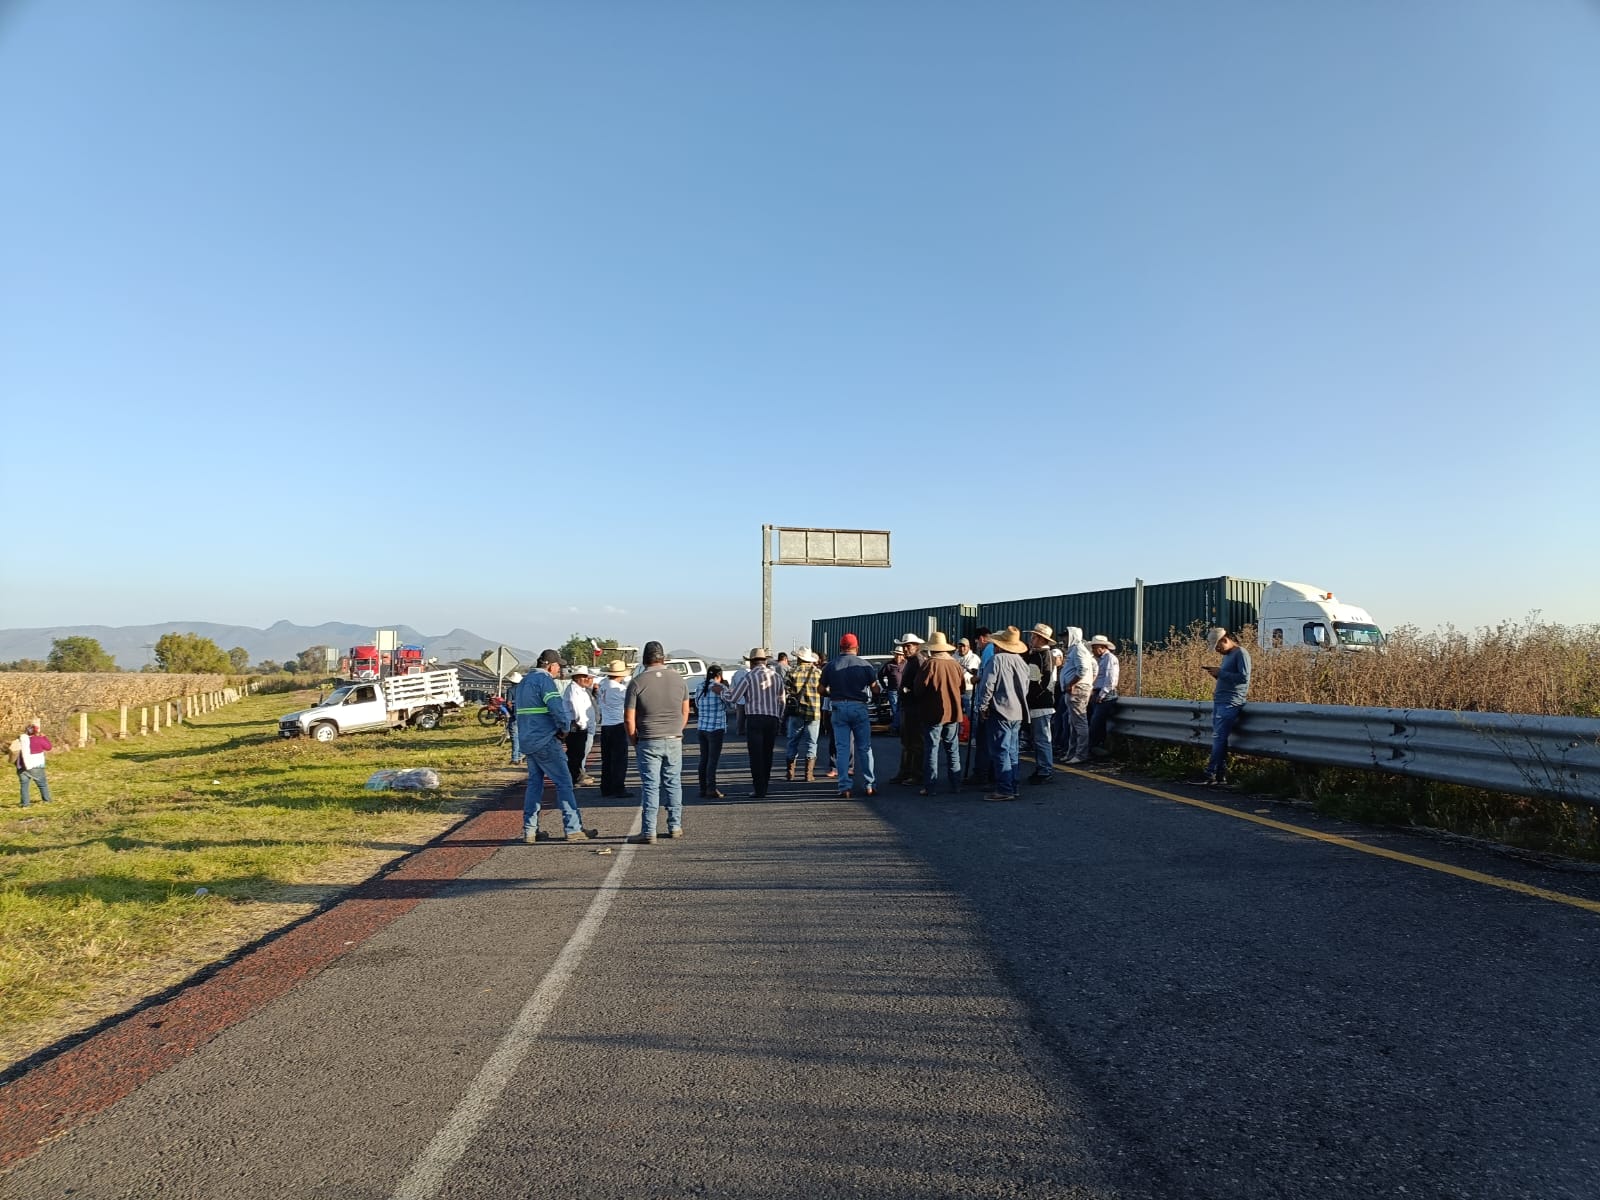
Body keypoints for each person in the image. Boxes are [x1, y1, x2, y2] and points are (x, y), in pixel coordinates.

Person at [513, 651, 596, 843]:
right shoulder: (545, 681)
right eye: (559, 666)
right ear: (551, 666)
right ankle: (573, 828)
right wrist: (565, 728)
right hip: (545, 739)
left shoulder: (524, 682)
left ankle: (530, 830)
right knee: (564, 782)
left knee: (534, 784)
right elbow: (556, 708)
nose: (560, 670)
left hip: (528, 740)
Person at [625, 641, 690, 844]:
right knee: (673, 782)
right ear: (663, 658)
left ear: (644, 660)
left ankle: (649, 831)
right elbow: (685, 711)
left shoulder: (637, 682)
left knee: (651, 786)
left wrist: (634, 739)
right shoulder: (679, 680)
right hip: (674, 738)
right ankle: (675, 826)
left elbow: (628, 718)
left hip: (648, 738)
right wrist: (677, 729)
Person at [819, 633, 881, 799]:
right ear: (856, 647)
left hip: (838, 707)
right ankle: (869, 784)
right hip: (859, 707)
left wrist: (830, 693)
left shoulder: (830, 666)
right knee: (865, 748)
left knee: (842, 749)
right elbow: (875, 689)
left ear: (840, 647)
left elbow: (820, 689)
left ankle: (844, 787)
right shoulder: (865, 665)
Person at [974, 626, 1030, 802]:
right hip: (1017, 711)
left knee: (1000, 750)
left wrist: (983, 707)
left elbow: (988, 685)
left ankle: (1004, 789)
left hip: (1001, 710)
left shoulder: (997, 660)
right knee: (1012, 751)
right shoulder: (1021, 662)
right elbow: (1026, 688)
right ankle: (1013, 786)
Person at [910, 633, 964, 795]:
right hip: (953, 712)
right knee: (952, 750)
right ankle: (956, 784)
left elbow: (918, 689)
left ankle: (930, 786)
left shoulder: (929, 664)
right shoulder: (955, 664)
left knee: (932, 750)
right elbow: (962, 688)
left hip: (932, 713)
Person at [727, 647, 785, 798]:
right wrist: (779, 718)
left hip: (755, 718)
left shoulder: (749, 677)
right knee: (767, 754)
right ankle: (765, 785)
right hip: (772, 718)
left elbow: (733, 698)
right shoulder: (776, 676)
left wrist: (721, 692)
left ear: (752, 662)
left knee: (756, 755)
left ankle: (759, 789)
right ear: (765, 661)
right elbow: (782, 701)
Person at [1198, 627, 1252, 786]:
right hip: (1221, 701)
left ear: (1225, 640)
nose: (1217, 650)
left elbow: (1243, 678)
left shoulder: (1241, 653)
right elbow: (1230, 678)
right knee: (1220, 738)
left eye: (1218, 646)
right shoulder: (1228, 656)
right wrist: (1217, 675)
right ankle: (1220, 774)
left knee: (1219, 737)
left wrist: (1220, 673)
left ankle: (1211, 772)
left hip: (1231, 702)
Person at [1023, 624, 1057, 784]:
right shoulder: (1036, 654)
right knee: (1038, 739)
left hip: (1041, 703)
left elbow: (1043, 681)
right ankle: (1041, 768)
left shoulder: (1045, 655)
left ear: (1042, 639)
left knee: (1042, 739)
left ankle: (1045, 770)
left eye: (1034, 636)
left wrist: (1031, 697)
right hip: (1036, 702)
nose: (1031, 639)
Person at [783, 646, 823, 782]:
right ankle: (808, 774)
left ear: (799, 658)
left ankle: (790, 773)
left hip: (796, 712)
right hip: (814, 712)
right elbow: (825, 690)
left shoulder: (792, 672)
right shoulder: (818, 673)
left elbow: (785, 691)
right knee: (812, 743)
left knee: (792, 741)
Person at [1055, 628, 1094, 765]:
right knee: (1073, 723)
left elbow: (1083, 669)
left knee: (1079, 723)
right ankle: (1072, 753)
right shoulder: (1075, 650)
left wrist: (1072, 684)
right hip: (1075, 689)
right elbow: (1093, 667)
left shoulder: (1078, 649)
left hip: (1077, 690)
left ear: (1072, 636)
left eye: (1065, 636)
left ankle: (1081, 754)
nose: (1063, 639)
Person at [892, 634, 926, 786]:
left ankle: (916, 774)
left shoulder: (918, 661)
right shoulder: (912, 661)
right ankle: (905, 772)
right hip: (908, 706)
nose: (905, 649)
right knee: (907, 742)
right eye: (904, 646)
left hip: (915, 707)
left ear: (916, 646)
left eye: (908, 646)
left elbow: (920, 686)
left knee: (915, 742)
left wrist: (907, 691)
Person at [694, 666, 732, 798]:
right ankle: (711, 788)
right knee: (713, 760)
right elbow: (731, 703)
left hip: (702, 727)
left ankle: (702, 788)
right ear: (719, 675)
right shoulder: (720, 687)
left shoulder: (700, 686)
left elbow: (697, 704)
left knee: (703, 759)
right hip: (716, 728)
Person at [596, 660, 633, 798]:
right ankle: (618, 788)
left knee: (607, 759)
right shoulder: (620, 689)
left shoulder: (603, 685)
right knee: (619, 759)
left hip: (606, 725)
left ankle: (606, 787)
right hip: (617, 724)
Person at [1086, 635, 1120, 756]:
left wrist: (1102, 694)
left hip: (1105, 694)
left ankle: (1095, 747)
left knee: (1096, 722)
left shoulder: (1110, 658)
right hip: (1098, 693)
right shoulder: (1100, 659)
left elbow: (1111, 678)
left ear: (1101, 647)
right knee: (1097, 722)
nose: (1093, 650)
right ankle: (1097, 749)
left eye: (1094, 648)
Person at [564, 663, 597, 785]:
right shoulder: (574, 690)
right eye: (583, 676)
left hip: (580, 726)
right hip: (576, 726)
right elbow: (577, 709)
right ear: (576, 677)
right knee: (576, 753)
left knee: (578, 753)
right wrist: (582, 725)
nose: (586, 679)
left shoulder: (580, 689)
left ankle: (577, 775)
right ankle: (575, 777)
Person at [14, 721, 53, 807]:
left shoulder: (21, 740)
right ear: (36, 731)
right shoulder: (39, 739)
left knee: (24, 786)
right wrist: (44, 737)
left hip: (22, 766)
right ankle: (47, 800)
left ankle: (25, 804)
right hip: (36, 765)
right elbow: (48, 747)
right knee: (42, 784)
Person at [881, 647, 906, 735]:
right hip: (893, 691)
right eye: (897, 654)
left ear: (903, 656)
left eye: (900, 655)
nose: (898, 656)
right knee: (895, 710)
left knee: (901, 710)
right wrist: (884, 686)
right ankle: (896, 728)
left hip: (903, 691)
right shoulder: (889, 665)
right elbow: (880, 675)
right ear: (894, 655)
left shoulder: (906, 664)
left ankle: (896, 728)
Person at [505, 672, 525, 765]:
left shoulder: (510, 690)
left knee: (514, 738)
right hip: (524, 717)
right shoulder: (525, 690)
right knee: (521, 737)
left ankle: (514, 758)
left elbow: (508, 703)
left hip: (514, 716)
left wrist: (511, 712)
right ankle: (521, 756)